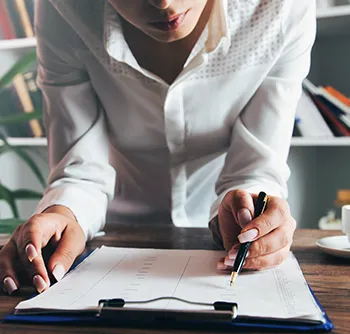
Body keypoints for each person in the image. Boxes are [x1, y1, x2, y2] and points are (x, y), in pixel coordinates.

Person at [0, 0, 315, 295]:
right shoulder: (64, 7)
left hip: (219, 236)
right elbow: (78, 171)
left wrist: (252, 208)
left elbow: (255, 170)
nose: (163, 3)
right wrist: (63, 211)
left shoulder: (282, 7)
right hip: (111, 238)